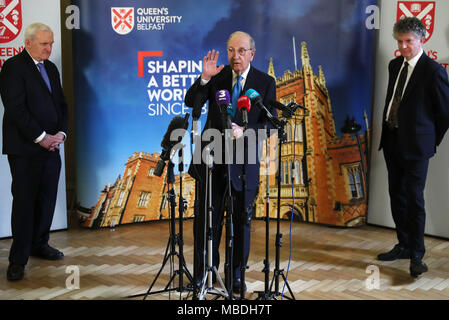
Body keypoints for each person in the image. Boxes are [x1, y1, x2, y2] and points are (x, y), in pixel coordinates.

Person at [184, 31, 277, 293]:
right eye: (231, 50)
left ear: (251, 54)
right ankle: (203, 274)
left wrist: (244, 132)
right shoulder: (218, 76)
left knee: (241, 221)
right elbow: (192, 102)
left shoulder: (265, 82)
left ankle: (236, 276)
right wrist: (204, 78)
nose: (235, 56)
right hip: (211, 162)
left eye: (241, 51)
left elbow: (269, 125)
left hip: (243, 165)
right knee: (206, 221)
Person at [377, 17, 449, 277]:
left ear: (422, 40)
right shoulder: (394, 64)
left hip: (417, 147)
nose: (404, 46)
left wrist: (430, 141)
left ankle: (417, 255)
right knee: (397, 195)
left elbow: (444, 114)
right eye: (400, 41)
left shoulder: (434, 71)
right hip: (392, 140)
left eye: (409, 41)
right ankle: (404, 244)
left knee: (414, 200)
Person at [0, 23, 68, 281]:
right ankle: (18, 259)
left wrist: (61, 134)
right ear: (28, 43)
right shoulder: (13, 68)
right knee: (25, 203)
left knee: (47, 199)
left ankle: (40, 244)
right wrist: (41, 138)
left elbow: (61, 104)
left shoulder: (51, 68)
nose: (49, 48)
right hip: (26, 149)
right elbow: (16, 109)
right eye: (44, 44)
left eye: (51, 43)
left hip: (52, 147)